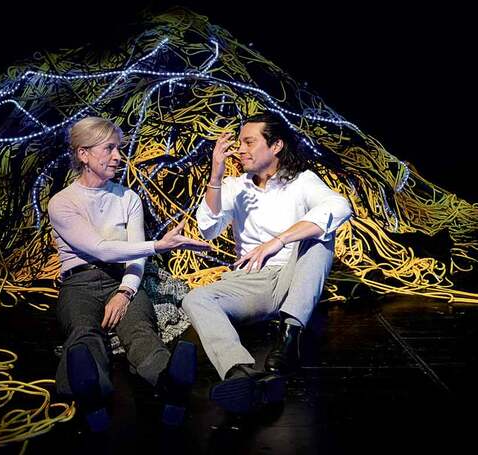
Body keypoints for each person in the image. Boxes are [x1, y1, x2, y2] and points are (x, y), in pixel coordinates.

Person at [181, 112, 352, 413]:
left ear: (276, 146)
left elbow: (340, 207)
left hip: (293, 275)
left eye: (249, 142)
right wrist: (216, 176)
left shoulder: (302, 182)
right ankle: (239, 372)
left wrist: (280, 240)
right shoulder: (235, 187)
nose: (241, 149)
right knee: (196, 298)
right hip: (252, 281)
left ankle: (290, 338)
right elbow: (208, 228)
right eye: (240, 142)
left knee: (321, 235)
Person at [48, 116, 210, 430]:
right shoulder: (62, 202)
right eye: (108, 148)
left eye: (118, 148)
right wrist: (158, 245)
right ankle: (91, 392)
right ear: (84, 154)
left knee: (140, 329)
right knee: (83, 330)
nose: (118, 157)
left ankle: (170, 384)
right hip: (78, 283)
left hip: (118, 280)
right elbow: (101, 248)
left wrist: (125, 292)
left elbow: (134, 258)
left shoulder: (128, 198)